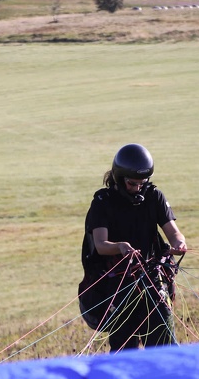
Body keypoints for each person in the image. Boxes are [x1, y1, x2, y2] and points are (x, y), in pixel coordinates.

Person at [79, 143, 187, 352]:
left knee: (164, 345)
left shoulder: (154, 196)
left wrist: (179, 244)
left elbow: (173, 232)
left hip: (153, 283)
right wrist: (120, 247)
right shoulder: (102, 202)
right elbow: (101, 245)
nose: (138, 188)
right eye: (132, 183)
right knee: (124, 350)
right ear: (119, 178)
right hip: (119, 288)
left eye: (142, 182)